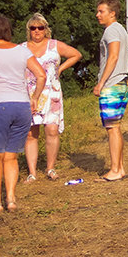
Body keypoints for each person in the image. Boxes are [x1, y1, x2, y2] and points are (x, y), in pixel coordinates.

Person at [0, 15, 47, 214]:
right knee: (11, 156)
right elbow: (41, 74)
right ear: (8, 31)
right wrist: (35, 98)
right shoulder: (23, 51)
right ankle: (11, 199)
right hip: (21, 106)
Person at [22, 13, 82, 182]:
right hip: (31, 94)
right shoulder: (22, 48)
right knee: (31, 133)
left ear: (45, 29)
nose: (36, 31)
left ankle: (50, 168)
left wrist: (60, 69)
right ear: (29, 30)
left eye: (40, 27)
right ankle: (32, 172)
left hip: (52, 93)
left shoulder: (54, 45)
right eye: (33, 28)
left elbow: (76, 54)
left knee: (52, 129)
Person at [93, 0, 128, 182]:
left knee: (112, 128)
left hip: (112, 85)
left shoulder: (111, 31)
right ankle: (120, 168)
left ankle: (115, 170)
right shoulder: (122, 30)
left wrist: (101, 83)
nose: (97, 15)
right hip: (122, 83)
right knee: (115, 127)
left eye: (101, 11)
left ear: (112, 13)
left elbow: (114, 56)